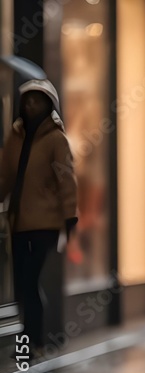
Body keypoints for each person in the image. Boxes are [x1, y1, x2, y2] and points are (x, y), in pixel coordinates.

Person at [0, 80, 77, 357]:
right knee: (22, 282)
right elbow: (5, 175)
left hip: (45, 223)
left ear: (48, 105)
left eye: (37, 101)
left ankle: (33, 342)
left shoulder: (56, 138)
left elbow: (66, 179)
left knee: (30, 280)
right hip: (19, 220)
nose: (31, 105)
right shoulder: (16, 135)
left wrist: (70, 216)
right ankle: (33, 341)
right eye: (28, 101)